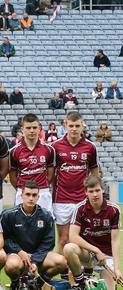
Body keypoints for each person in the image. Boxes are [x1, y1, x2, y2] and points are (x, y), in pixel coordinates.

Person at [0, 182, 67, 290]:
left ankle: (40, 282)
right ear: (21, 196)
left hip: (39, 256)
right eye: (28, 194)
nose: (31, 198)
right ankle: (16, 283)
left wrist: (36, 260)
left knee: (62, 261)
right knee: (11, 266)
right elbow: (4, 239)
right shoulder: (9, 214)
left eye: (34, 195)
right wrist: (19, 251)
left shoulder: (46, 215)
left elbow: (48, 243)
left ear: (38, 197)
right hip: (17, 255)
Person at [62, 176, 122, 290]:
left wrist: (116, 269)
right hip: (88, 252)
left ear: (103, 190)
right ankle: (80, 283)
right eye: (91, 191)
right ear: (85, 192)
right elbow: (73, 236)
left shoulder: (114, 209)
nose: (94, 194)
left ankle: (91, 276)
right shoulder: (80, 208)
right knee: (69, 248)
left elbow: (115, 240)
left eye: (97, 190)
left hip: (106, 256)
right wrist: (96, 250)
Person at [52, 111, 99, 261]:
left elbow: (94, 173)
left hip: (82, 200)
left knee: (82, 240)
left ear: (82, 127)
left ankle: (81, 276)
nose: (74, 129)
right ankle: (62, 276)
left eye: (77, 126)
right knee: (64, 240)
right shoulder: (55, 146)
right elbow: (51, 174)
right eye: (71, 125)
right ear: (65, 125)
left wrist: (89, 192)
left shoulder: (90, 147)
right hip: (61, 199)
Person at [8, 113, 55, 212]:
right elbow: (12, 177)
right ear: (22, 129)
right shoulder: (14, 151)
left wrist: (42, 186)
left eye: (34, 127)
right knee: (21, 225)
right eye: (28, 128)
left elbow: (51, 175)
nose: (32, 130)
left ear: (39, 129)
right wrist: (24, 190)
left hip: (43, 192)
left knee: (44, 225)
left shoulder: (49, 149)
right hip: (23, 192)